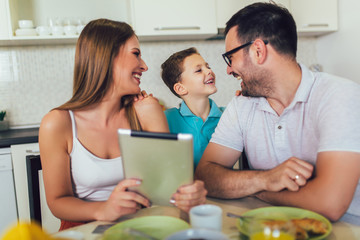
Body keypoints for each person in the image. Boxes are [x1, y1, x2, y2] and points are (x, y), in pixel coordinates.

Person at [195, 2, 360, 224]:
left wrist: (257, 189)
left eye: (230, 58)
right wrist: (266, 178)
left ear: (258, 51)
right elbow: (205, 175)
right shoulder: (242, 104)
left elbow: (330, 204)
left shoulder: (339, 95)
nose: (228, 69)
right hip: (269, 228)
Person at [39, 19, 207, 231]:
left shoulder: (146, 112)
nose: (144, 66)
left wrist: (190, 193)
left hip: (139, 227)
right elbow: (57, 201)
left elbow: (170, 190)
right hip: (82, 231)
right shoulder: (58, 123)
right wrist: (103, 210)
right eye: (136, 53)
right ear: (107, 57)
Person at [161, 47, 224, 169]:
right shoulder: (167, 119)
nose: (209, 71)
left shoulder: (228, 114)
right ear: (180, 88)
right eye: (199, 70)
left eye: (208, 66)